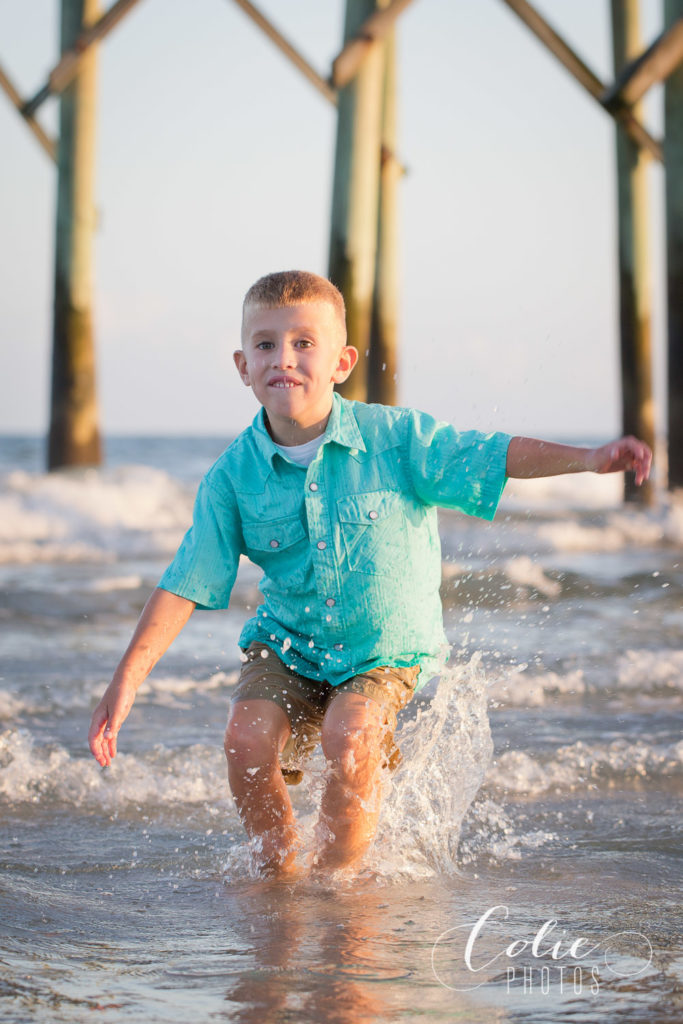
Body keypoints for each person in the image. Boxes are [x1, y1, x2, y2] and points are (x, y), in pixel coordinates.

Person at [88, 270, 652, 876]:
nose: (284, 358)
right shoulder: (232, 476)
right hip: (288, 644)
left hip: (381, 649)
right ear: (242, 365)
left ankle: (339, 884)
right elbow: (185, 584)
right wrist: (126, 683)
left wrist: (589, 460)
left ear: (342, 362)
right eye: (266, 344)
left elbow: (490, 452)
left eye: (305, 343)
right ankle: (278, 874)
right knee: (244, 742)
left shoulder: (396, 439)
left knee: (351, 736)